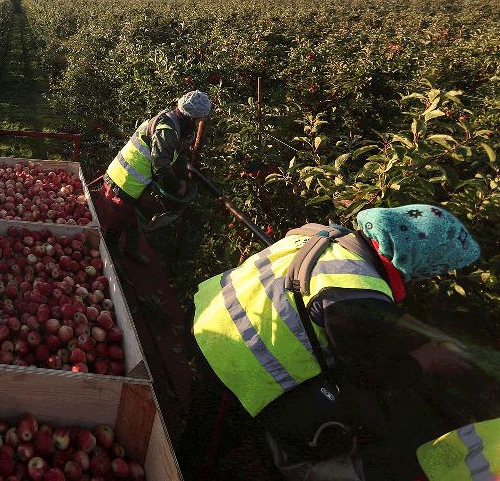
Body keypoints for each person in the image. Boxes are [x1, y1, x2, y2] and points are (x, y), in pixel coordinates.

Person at [183, 204, 485, 480]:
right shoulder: (353, 293)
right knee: (210, 449)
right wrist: (428, 359)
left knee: (208, 430)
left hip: (208, 320)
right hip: (228, 358)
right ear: (423, 260)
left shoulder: (328, 239)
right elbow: (368, 373)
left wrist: (428, 336)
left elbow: (368, 316)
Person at [99, 90, 210, 266]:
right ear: (191, 117)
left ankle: (131, 249)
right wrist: (177, 186)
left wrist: (182, 172)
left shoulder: (172, 121)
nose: (198, 124)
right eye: (199, 120)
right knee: (117, 221)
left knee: (132, 217)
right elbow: (161, 166)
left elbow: (175, 154)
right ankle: (109, 261)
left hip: (131, 178)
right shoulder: (167, 131)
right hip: (125, 180)